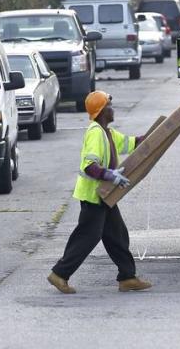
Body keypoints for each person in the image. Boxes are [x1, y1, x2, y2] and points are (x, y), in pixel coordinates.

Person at [47, 90, 153, 294]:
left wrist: (158, 134)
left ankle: (127, 277)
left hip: (105, 196)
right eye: (110, 106)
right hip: (94, 195)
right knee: (87, 236)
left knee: (117, 235)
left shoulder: (108, 133)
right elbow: (89, 165)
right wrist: (109, 175)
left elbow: (132, 143)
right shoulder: (95, 132)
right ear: (102, 111)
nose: (113, 110)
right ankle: (59, 274)